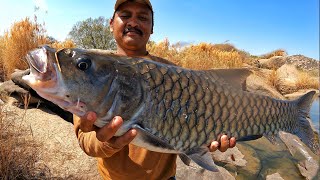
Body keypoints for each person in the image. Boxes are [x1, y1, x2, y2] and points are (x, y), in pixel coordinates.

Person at [73, 0, 236, 179]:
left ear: (152, 28)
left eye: (142, 17)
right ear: (111, 24)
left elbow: (201, 117)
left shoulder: (175, 75)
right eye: (125, 15)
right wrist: (109, 142)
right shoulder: (91, 73)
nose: (133, 22)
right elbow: (85, 140)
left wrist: (208, 137)